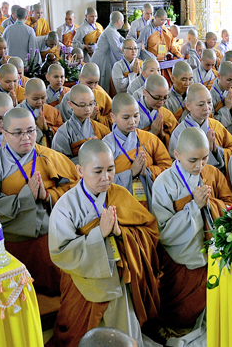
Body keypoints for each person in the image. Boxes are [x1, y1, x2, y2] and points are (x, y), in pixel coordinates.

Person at [48, 139, 160, 347]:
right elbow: (60, 252)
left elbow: (149, 231)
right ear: (80, 170)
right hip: (84, 283)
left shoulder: (120, 194)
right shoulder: (65, 206)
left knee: (125, 332)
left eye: (111, 169)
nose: (106, 177)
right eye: (98, 171)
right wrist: (99, 234)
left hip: (119, 277)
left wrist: (121, 233)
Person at [0, 107, 78, 296]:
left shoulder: (49, 156)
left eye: (31, 131)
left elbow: (76, 189)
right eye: (18, 133)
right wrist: (26, 196)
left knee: (57, 286)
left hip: (48, 233)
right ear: (5, 134)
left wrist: (48, 196)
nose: (26, 138)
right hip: (12, 239)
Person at [151, 127, 232, 330]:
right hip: (182, 260)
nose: (200, 165)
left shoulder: (211, 173)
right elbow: (163, 231)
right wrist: (194, 207)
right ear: (177, 154)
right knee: (181, 315)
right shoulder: (163, 184)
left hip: (213, 252)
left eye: (205, 158)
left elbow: (230, 204)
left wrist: (211, 205)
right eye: (193, 160)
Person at [101, 93, 172, 211]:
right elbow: (101, 180)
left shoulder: (150, 139)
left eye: (136, 116)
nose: (132, 122)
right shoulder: (105, 146)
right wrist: (131, 173)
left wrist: (147, 172)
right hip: (121, 205)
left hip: (151, 199)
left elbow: (168, 168)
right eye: (126, 117)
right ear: (113, 117)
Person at [168, 84, 232, 176]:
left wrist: (216, 151)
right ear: (188, 106)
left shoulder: (216, 125)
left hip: (218, 178)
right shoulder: (179, 132)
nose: (207, 108)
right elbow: (174, 162)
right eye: (201, 104)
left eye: (209, 102)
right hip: (192, 179)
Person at [52, 84, 112, 163]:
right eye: (82, 105)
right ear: (71, 104)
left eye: (91, 104)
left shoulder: (102, 129)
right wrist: (90, 158)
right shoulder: (63, 133)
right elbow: (60, 163)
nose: (88, 109)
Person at [58, 63, 113, 128]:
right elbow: (67, 125)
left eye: (96, 82)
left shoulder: (101, 95)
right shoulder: (69, 97)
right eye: (89, 83)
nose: (92, 86)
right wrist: (88, 119)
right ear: (80, 78)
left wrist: (98, 118)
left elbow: (113, 118)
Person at [133, 74, 179, 147]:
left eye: (165, 97)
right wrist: (152, 132)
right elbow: (130, 146)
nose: (161, 102)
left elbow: (177, 136)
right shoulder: (132, 114)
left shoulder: (164, 112)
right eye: (157, 98)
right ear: (145, 93)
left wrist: (162, 134)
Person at [19, 78, 63, 147]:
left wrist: (47, 129)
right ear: (25, 95)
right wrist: (38, 129)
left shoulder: (52, 111)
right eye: (35, 99)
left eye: (43, 98)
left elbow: (62, 132)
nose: (40, 102)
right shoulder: (17, 113)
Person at [91, 11, 125, 93]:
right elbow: (117, 49)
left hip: (105, 58)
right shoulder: (110, 31)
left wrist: (133, 44)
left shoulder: (112, 30)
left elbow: (123, 40)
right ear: (119, 21)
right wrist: (127, 57)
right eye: (123, 20)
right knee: (103, 84)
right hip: (102, 60)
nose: (123, 23)